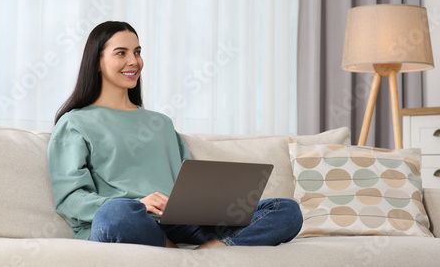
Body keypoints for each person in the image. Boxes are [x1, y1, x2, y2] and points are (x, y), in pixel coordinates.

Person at [47, 21, 303, 249]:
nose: (134, 61)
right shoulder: (75, 123)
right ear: (97, 62)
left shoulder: (161, 122)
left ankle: (213, 249)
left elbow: (187, 181)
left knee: (286, 210)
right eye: (121, 53)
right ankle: (169, 250)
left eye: (137, 52)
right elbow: (70, 200)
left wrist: (207, 204)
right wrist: (139, 203)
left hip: (179, 221)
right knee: (117, 213)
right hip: (126, 221)